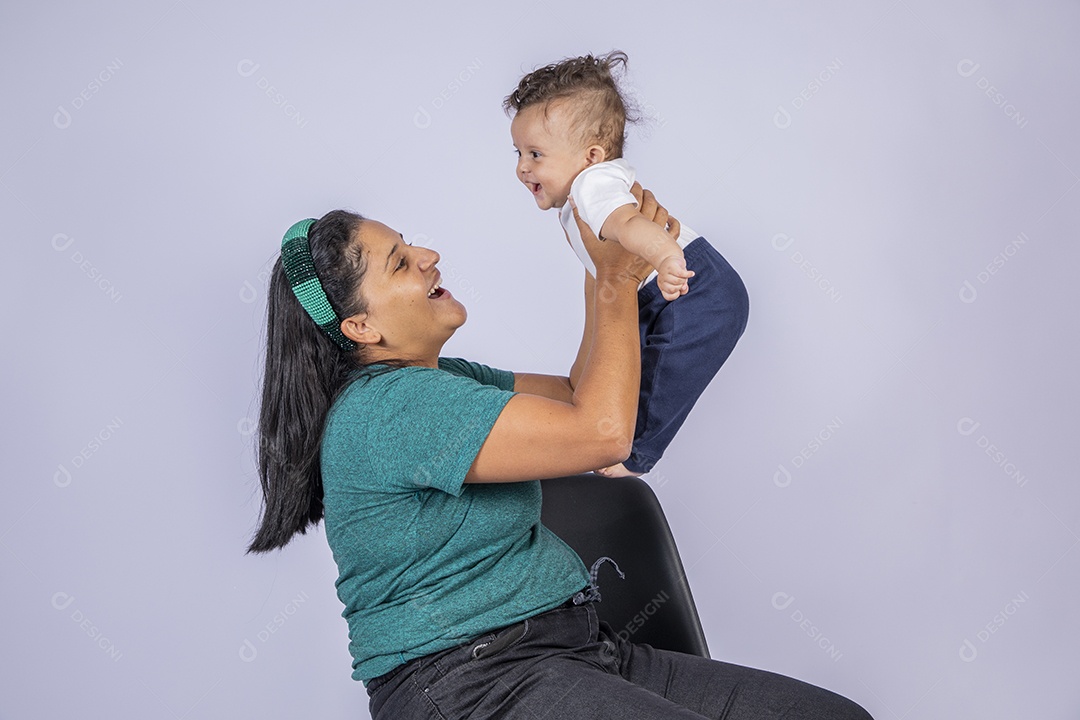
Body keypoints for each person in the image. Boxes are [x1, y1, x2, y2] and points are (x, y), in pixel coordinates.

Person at [246, 189, 872, 720]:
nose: (430, 257)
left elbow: (581, 393)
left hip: (574, 648)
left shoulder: (445, 379)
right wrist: (615, 280)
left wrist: (597, 246)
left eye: (413, 245)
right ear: (361, 328)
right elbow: (602, 434)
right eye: (401, 262)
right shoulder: (392, 408)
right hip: (471, 684)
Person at [506, 50, 750, 478]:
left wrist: (665, 255)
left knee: (659, 379)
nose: (522, 169)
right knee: (619, 374)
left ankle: (633, 456)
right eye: (518, 153)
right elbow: (600, 272)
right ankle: (600, 429)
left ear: (592, 155)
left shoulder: (593, 185)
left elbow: (628, 223)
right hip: (655, 290)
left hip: (694, 291)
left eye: (536, 154)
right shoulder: (583, 190)